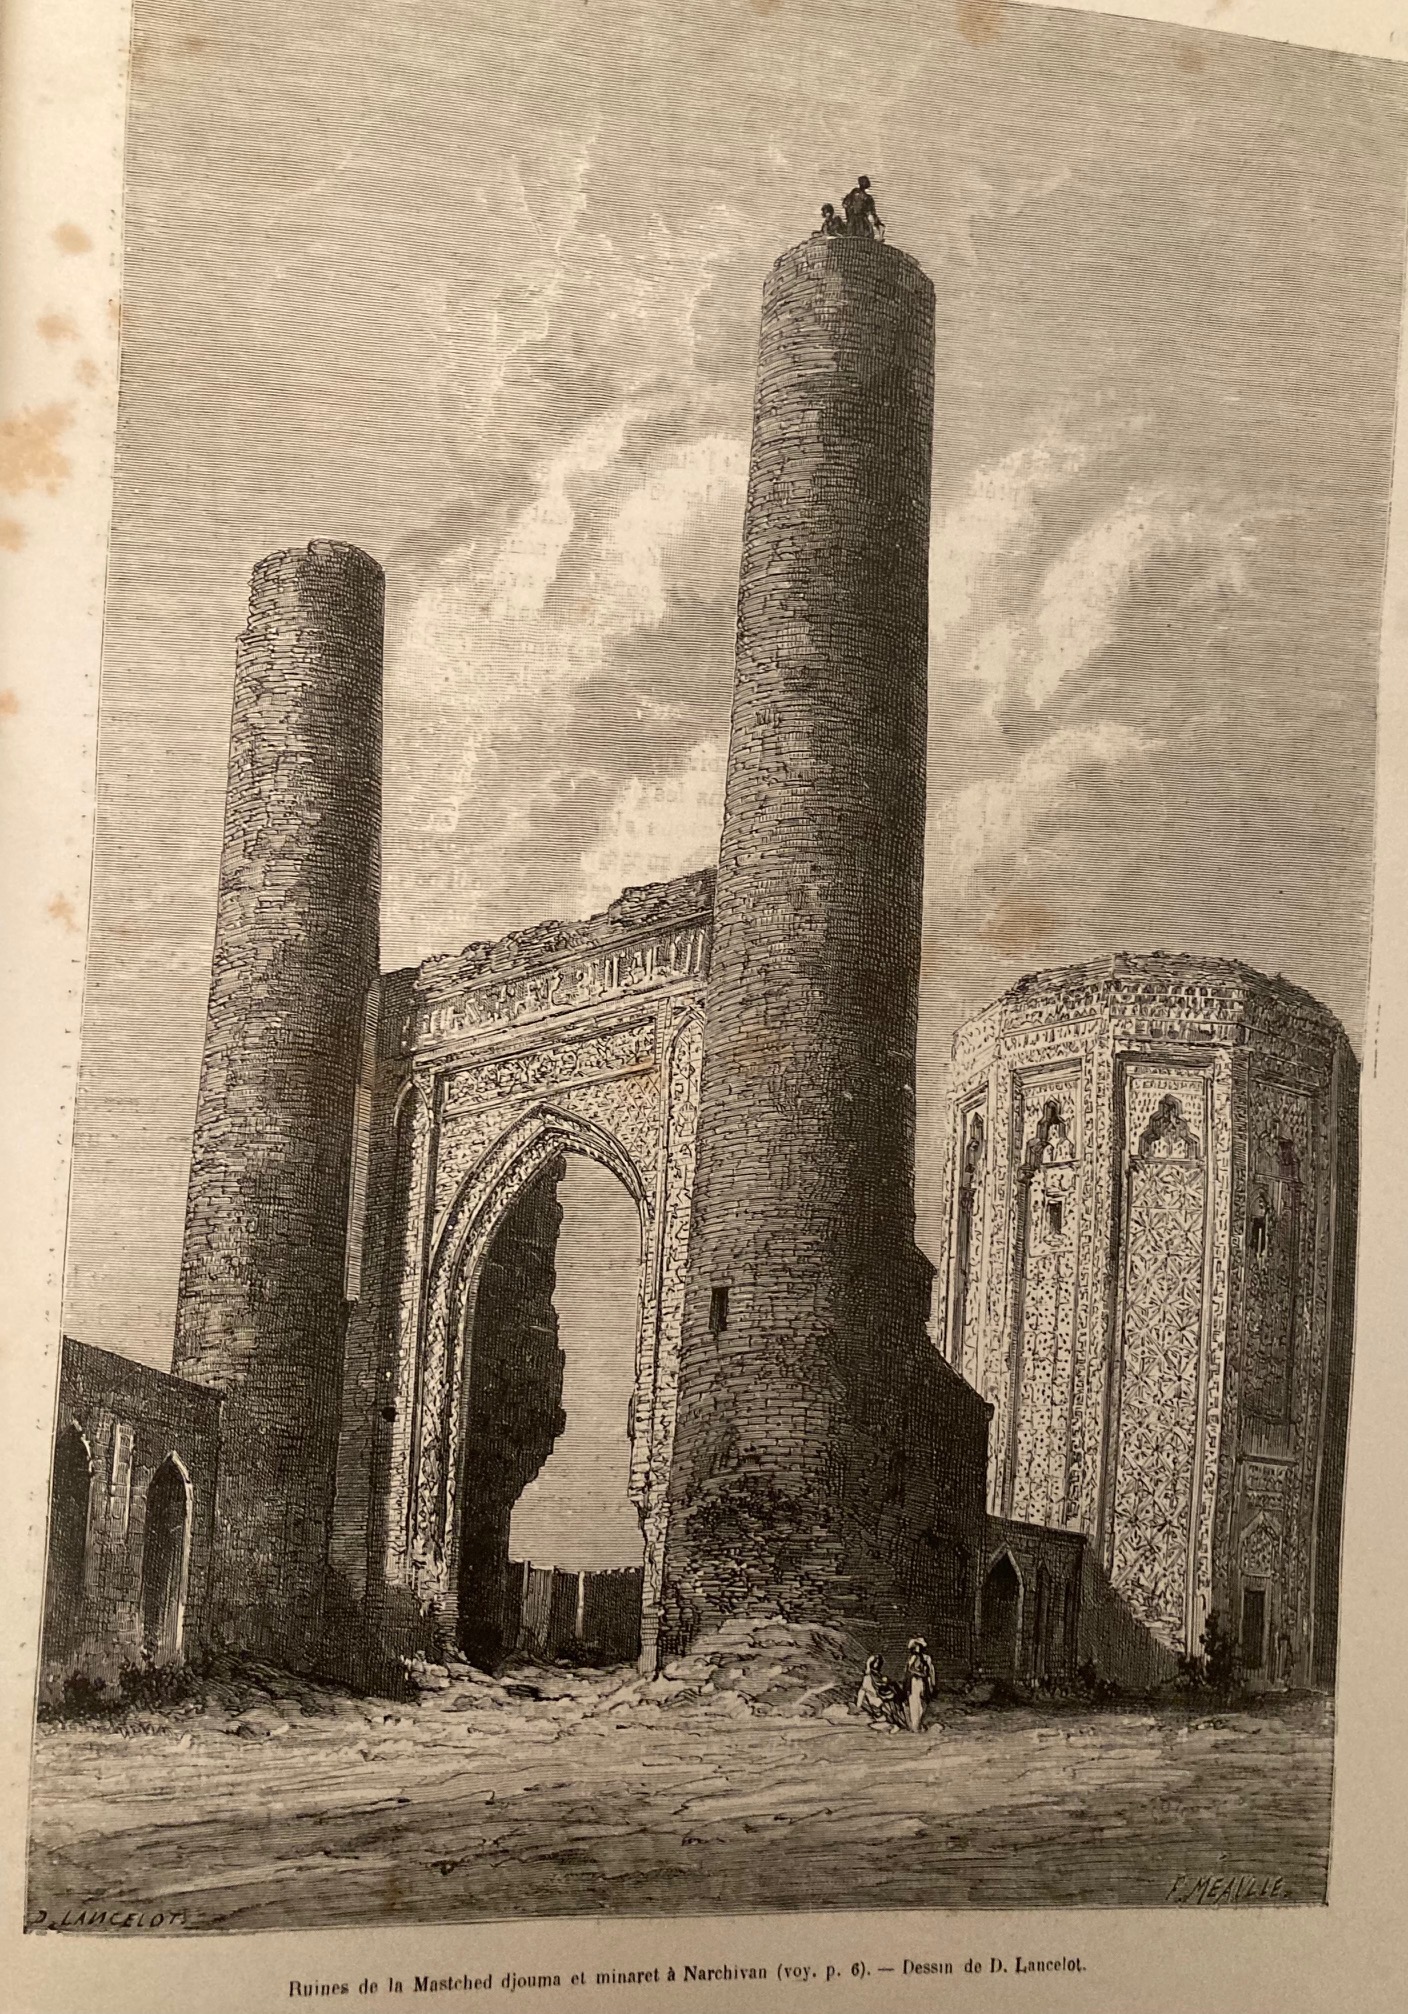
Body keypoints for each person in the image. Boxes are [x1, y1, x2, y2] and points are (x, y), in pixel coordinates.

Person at [856, 1653, 902, 1728]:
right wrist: (859, 1703)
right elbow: (864, 1689)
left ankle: (895, 1719)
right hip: (874, 1697)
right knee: (883, 1706)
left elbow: (881, 1684)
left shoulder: (878, 1674)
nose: (877, 1664)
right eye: (875, 1662)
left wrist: (885, 1684)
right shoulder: (868, 1676)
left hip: (880, 1694)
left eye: (878, 1662)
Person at [904, 1636, 937, 1732]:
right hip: (914, 1682)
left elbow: (930, 1671)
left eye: (919, 1646)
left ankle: (919, 1723)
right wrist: (918, 1674)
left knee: (923, 1703)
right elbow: (909, 1670)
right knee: (915, 1703)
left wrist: (931, 1683)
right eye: (916, 1646)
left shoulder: (927, 1658)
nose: (917, 1648)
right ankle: (915, 1726)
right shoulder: (912, 1658)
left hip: (923, 1682)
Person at [842, 175, 884, 240]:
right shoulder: (868, 198)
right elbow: (872, 214)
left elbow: (845, 205)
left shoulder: (851, 195)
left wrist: (849, 217)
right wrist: (879, 225)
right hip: (862, 226)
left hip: (851, 225)